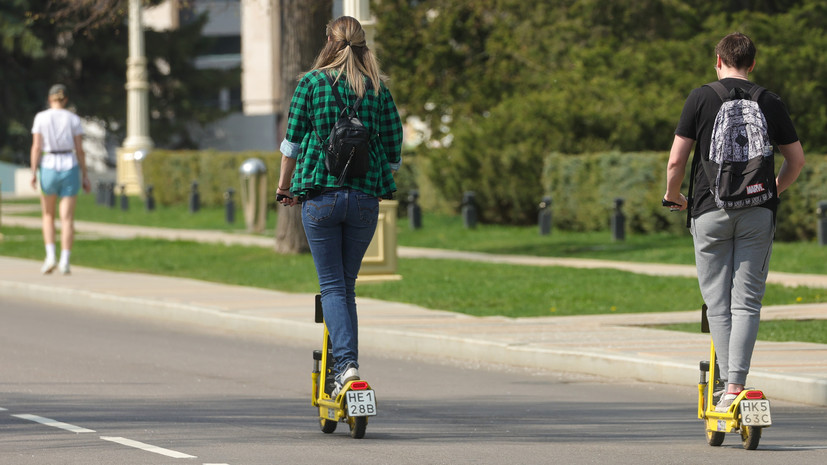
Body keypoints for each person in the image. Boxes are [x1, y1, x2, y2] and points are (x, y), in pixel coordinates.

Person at [664, 32, 805, 412]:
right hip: (758, 213)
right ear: (753, 64)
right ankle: (736, 386)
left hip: (709, 209)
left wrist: (674, 196)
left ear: (718, 59)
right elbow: (797, 161)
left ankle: (726, 387)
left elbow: (677, 161)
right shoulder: (770, 100)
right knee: (746, 304)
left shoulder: (701, 96)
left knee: (718, 304)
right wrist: (771, 192)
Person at [277, 16, 403, 395]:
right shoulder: (377, 87)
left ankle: (345, 368)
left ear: (329, 42)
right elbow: (395, 145)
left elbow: (292, 145)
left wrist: (284, 188)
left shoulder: (311, 84)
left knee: (332, 288)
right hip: (365, 199)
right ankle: (346, 372)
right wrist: (381, 169)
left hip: (321, 197)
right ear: (363, 44)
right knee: (347, 288)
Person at [30, 84, 91, 275]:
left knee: (48, 215)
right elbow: (80, 149)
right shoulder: (73, 119)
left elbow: (36, 147)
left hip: (48, 164)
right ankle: (65, 260)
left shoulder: (41, 117)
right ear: (65, 100)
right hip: (69, 165)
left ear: (50, 99)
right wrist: (85, 174)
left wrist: (33, 172)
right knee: (67, 219)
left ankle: (50, 257)